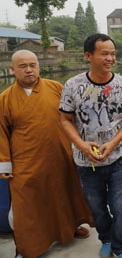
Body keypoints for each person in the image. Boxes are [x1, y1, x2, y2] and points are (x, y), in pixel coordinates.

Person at [0, 50, 94, 258]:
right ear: (12, 69)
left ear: (39, 66)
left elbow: (75, 116)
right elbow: (1, 134)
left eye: (33, 65)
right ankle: (27, 247)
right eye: (23, 66)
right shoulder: (4, 99)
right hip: (25, 161)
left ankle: (69, 229)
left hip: (59, 153)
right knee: (27, 206)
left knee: (64, 193)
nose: (29, 70)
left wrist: (84, 144)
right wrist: (4, 164)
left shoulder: (56, 88)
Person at [59, 34, 122, 258]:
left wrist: (112, 144)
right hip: (86, 161)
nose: (110, 58)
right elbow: (65, 119)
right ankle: (106, 239)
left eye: (113, 54)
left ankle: (120, 247)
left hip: (119, 158)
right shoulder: (73, 85)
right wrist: (82, 145)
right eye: (104, 53)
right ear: (88, 56)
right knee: (98, 209)